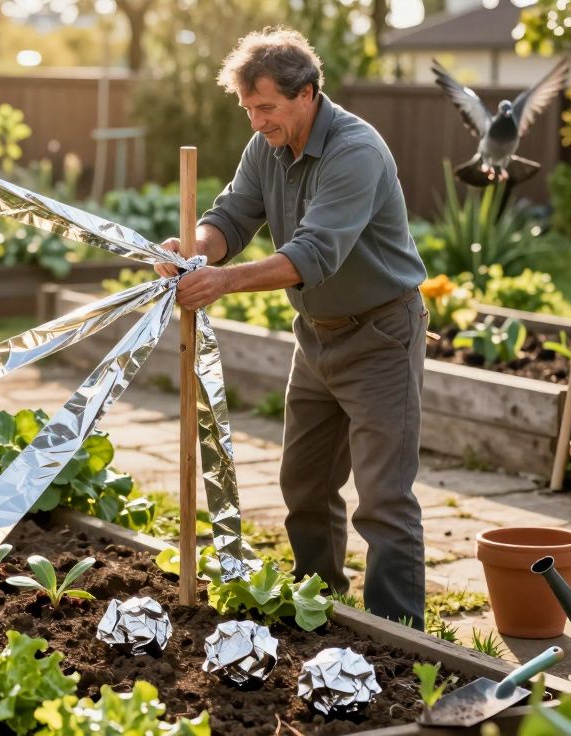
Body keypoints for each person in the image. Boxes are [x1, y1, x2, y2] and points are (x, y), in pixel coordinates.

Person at [154, 26, 429, 627]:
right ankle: (319, 607)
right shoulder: (266, 148)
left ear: (307, 94)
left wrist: (220, 283)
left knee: (383, 498)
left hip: (380, 332)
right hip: (317, 338)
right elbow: (230, 216)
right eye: (249, 108)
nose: (256, 121)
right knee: (303, 484)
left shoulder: (355, 151)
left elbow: (312, 255)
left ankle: (402, 637)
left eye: (267, 107)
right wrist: (193, 250)